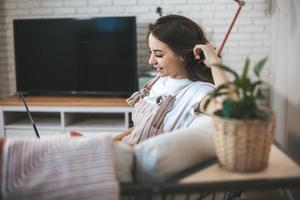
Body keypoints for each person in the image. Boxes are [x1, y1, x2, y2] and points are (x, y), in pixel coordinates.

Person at [114, 14, 229, 145]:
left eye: (159, 54)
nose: (151, 61)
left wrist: (215, 63)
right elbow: (139, 129)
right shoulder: (158, 80)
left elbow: (230, 111)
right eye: (150, 52)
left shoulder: (198, 92)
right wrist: (111, 141)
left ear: (183, 55)